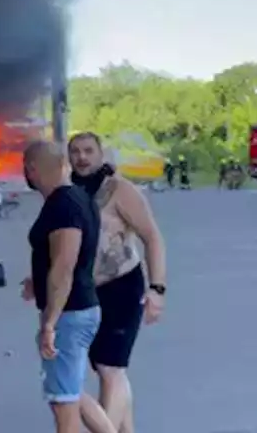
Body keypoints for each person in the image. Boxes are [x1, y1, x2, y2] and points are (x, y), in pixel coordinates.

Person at [67, 133, 168, 433]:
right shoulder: (68, 192)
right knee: (104, 367)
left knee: (111, 369)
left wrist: (157, 288)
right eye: (75, 152)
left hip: (122, 286)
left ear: (101, 154)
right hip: (85, 291)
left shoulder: (121, 191)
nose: (82, 157)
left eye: (88, 151)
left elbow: (152, 237)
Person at [20, 141, 116, 433]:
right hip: (79, 309)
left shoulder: (63, 205)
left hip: (69, 314)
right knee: (72, 393)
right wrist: (38, 280)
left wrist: (50, 323)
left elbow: (65, 265)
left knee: (63, 405)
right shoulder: (78, 198)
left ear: (32, 169)